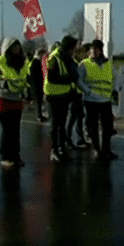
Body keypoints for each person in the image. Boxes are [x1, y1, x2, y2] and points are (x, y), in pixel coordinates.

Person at [0, 38, 29, 168]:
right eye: (14, 47)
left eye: (18, 47)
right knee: (8, 130)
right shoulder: (0, 62)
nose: (17, 49)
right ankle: (6, 157)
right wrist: (2, 83)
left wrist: (28, 91)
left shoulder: (22, 62)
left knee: (15, 130)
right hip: (3, 100)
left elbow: (24, 78)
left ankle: (15, 156)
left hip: (17, 99)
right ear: (8, 48)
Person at [78, 39, 118, 161]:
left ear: (101, 51)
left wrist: (114, 90)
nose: (93, 51)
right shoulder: (84, 64)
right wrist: (87, 91)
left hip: (105, 100)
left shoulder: (108, 64)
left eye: (96, 49)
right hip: (91, 100)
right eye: (91, 49)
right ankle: (96, 149)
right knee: (93, 126)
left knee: (107, 127)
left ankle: (106, 149)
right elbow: (79, 80)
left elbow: (115, 77)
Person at [45, 35, 79, 163]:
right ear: (69, 47)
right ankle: (54, 150)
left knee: (61, 125)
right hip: (54, 96)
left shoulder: (68, 57)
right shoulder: (55, 57)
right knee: (55, 124)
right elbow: (52, 78)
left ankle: (62, 149)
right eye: (74, 48)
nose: (75, 50)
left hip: (65, 95)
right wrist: (69, 80)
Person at [66, 43, 90, 148]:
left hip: (79, 94)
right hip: (73, 94)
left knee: (79, 117)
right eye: (85, 52)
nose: (87, 54)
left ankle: (80, 139)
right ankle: (68, 139)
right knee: (72, 118)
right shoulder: (73, 64)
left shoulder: (80, 63)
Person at [28, 47, 47, 122]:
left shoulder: (35, 62)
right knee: (39, 101)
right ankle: (39, 115)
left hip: (36, 85)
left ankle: (40, 114)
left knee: (39, 101)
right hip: (37, 85)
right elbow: (35, 75)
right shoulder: (36, 62)